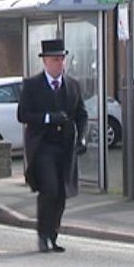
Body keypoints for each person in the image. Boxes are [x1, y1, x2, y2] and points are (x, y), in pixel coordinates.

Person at [17, 39, 88, 253]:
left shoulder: (73, 85)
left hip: (65, 147)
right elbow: (22, 115)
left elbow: (81, 114)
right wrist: (48, 118)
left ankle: (53, 235)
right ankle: (42, 234)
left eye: (62, 59)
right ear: (46, 62)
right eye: (55, 59)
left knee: (61, 193)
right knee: (49, 189)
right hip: (43, 146)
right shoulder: (32, 85)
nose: (59, 64)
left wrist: (82, 137)